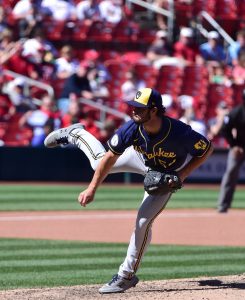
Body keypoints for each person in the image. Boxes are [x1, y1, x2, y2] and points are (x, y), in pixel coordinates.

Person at [44, 87, 213, 294]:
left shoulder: (179, 132)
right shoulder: (131, 128)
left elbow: (206, 149)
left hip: (166, 175)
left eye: (139, 108)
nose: (133, 111)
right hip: (139, 159)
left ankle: (126, 276)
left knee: (143, 221)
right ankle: (77, 134)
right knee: (98, 164)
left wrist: (182, 175)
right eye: (132, 106)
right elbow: (109, 158)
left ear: (154, 110)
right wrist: (92, 188)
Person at [217, 89, 245, 213]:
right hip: (239, 147)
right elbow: (225, 129)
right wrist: (233, 145)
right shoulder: (237, 112)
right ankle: (223, 205)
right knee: (231, 173)